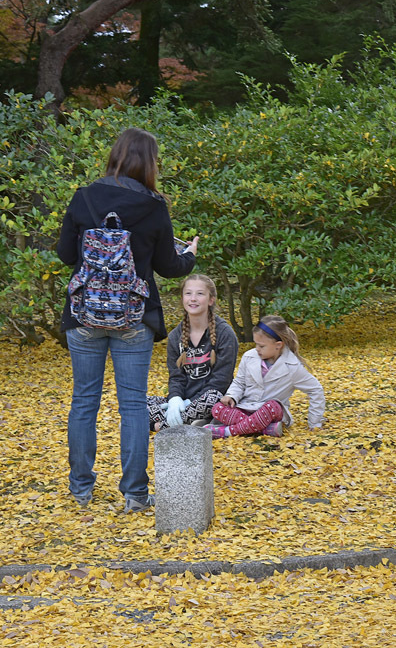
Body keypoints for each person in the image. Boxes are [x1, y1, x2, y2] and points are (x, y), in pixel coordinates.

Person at [57, 128, 198, 512]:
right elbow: (170, 267)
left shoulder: (84, 197)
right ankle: (135, 493)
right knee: (132, 405)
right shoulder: (153, 206)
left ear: (115, 155)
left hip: (84, 315)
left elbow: (65, 255)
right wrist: (189, 256)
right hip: (134, 318)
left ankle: (80, 489)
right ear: (150, 163)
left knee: (84, 400)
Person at [208, 314, 325, 438]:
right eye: (256, 344)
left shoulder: (293, 367)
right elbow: (239, 382)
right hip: (245, 407)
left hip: (270, 413)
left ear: (278, 345)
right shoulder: (249, 357)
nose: (257, 349)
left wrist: (315, 422)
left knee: (273, 405)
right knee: (218, 408)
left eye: (261, 346)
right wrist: (231, 396)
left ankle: (227, 431)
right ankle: (263, 429)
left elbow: (316, 390)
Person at [147, 275, 239, 431]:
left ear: (211, 300)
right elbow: (176, 377)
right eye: (188, 293)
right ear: (182, 298)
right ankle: (185, 421)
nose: (193, 298)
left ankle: (158, 425)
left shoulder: (225, 333)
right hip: (183, 402)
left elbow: (221, 381)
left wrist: (189, 403)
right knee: (137, 400)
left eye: (200, 294)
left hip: (212, 402)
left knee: (213, 398)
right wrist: (176, 400)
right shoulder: (176, 336)